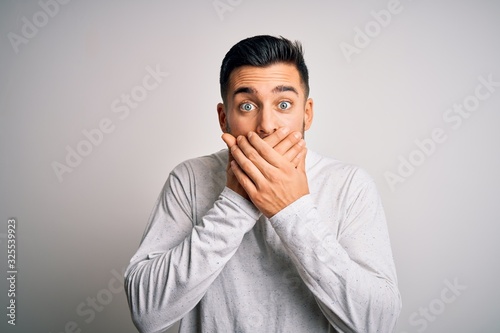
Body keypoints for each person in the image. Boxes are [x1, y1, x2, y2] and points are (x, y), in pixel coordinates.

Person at [124, 35, 402, 333]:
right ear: (223, 117)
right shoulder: (189, 179)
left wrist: (291, 210)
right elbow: (147, 314)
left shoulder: (349, 185)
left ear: (306, 114)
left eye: (284, 104)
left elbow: (376, 323)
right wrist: (235, 202)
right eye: (247, 106)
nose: (267, 124)